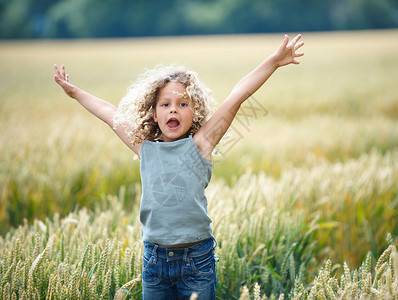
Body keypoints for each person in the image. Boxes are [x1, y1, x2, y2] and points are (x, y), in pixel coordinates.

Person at [53, 34, 304, 300]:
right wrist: (74, 92)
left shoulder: (201, 145)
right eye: (166, 104)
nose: (174, 110)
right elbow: (109, 113)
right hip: (154, 261)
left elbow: (237, 95)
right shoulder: (144, 148)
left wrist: (274, 62)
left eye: (183, 104)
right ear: (154, 113)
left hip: (196, 261)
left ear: (194, 112)